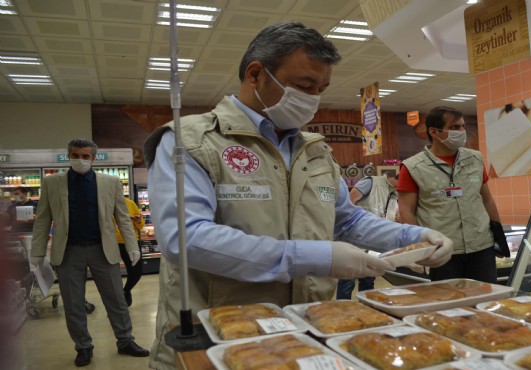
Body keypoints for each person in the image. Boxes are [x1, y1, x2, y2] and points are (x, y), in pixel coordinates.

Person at [143, 22, 453, 370]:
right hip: (219, 334)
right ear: (256, 74)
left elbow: (346, 219)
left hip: (308, 330)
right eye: (304, 85)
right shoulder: (193, 142)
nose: (313, 98)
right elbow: (186, 239)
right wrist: (316, 256)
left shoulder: (314, 151)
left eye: (321, 88)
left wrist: (413, 237)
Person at [29, 138, 150, 367]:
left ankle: (125, 340)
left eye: (85, 156)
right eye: (75, 155)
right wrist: (37, 251)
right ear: (69, 156)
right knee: (74, 303)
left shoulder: (110, 182)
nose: (80, 160)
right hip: (68, 252)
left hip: (103, 250)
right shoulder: (52, 183)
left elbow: (122, 217)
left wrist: (133, 246)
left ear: (93, 158)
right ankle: (83, 346)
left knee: (116, 299)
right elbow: (43, 218)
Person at [398, 106, 502, 284]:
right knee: (449, 304)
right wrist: (416, 248)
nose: (462, 132)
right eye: (454, 127)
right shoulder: (412, 167)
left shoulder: (475, 159)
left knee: (485, 300)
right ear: (434, 132)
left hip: (481, 246)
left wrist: (499, 233)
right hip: (442, 250)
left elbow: (487, 199)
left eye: (462, 126)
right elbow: (407, 211)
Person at [336, 174, 399, 299]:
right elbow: (348, 205)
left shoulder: (396, 193)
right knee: (347, 280)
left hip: (375, 242)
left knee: (368, 280)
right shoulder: (371, 182)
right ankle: (342, 310)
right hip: (355, 239)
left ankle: (367, 309)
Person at [116, 197, 145, 307]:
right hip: (111, 243)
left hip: (131, 242)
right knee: (113, 275)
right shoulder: (105, 202)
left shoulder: (130, 203)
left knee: (136, 272)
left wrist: (138, 220)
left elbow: (141, 225)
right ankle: (118, 300)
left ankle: (125, 291)